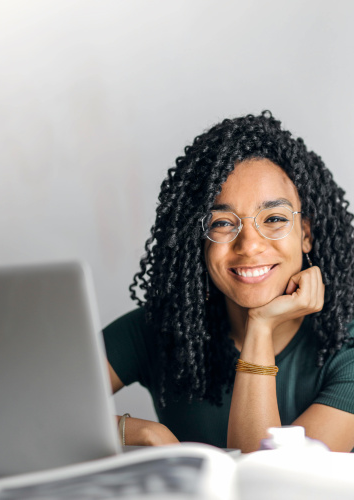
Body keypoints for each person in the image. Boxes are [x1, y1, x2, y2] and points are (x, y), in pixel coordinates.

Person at [103, 111, 354, 453]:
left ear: (305, 234)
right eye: (222, 223)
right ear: (200, 240)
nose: (249, 245)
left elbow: (268, 484)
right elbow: (23, 406)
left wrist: (260, 326)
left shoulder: (348, 349)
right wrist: (137, 431)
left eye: (275, 218)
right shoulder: (160, 329)